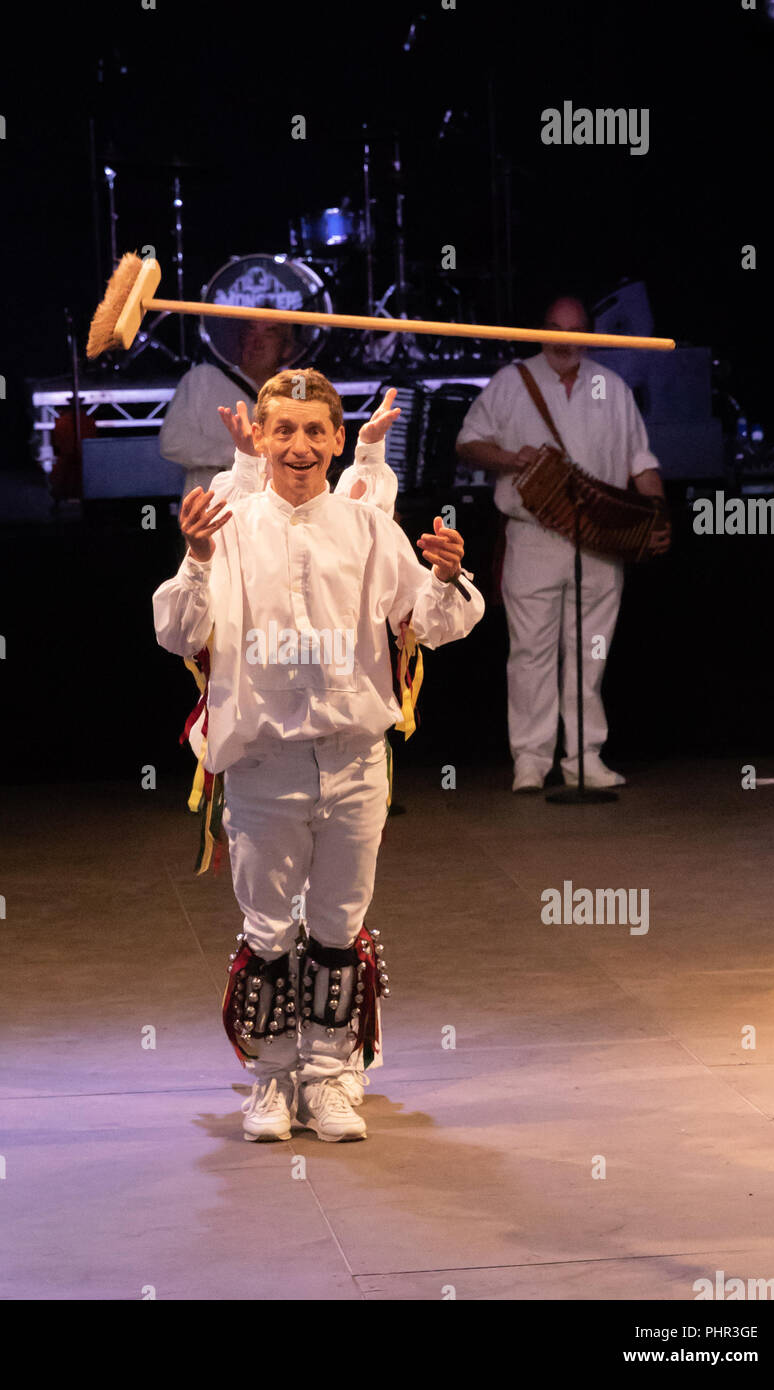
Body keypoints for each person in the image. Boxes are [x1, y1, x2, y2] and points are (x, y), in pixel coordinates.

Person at [153, 369, 485, 1142]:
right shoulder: (229, 526)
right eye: (284, 431)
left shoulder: (369, 529)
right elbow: (176, 631)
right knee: (268, 928)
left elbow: (434, 623)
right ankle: (271, 1081)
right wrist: (197, 558)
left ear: (338, 440)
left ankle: (333, 1077)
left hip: (354, 759)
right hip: (264, 765)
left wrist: (445, 575)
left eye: (314, 432)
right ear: (260, 440)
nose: (299, 446)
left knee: (338, 924)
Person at [455, 296, 670, 793]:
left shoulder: (610, 387)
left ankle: (584, 757)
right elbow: (468, 442)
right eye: (555, 328)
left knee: (590, 652)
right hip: (533, 537)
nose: (564, 340)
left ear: (590, 335)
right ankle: (530, 761)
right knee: (530, 653)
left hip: (601, 541)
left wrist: (657, 514)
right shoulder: (513, 382)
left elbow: (641, 461)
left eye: (575, 330)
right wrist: (511, 458)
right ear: (541, 330)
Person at [158, 319, 294, 499]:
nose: (257, 342)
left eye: (270, 332)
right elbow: (173, 442)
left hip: (274, 518)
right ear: (240, 340)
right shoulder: (204, 378)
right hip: (213, 517)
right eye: (250, 331)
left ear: (287, 348)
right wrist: (245, 453)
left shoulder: (294, 396)